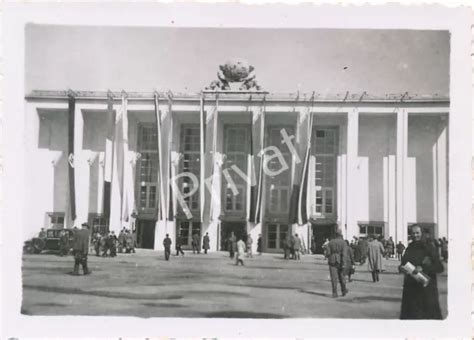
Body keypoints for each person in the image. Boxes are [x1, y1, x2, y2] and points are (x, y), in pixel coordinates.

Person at [400, 225, 444, 319]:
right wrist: (401, 268)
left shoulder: (429, 247)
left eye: (417, 233)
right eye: (413, 233)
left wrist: (423, 269)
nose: (415, 235)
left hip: (426, 291)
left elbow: (440, 267)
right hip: (411, 291)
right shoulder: (409, 248)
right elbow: (403, 263)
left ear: (422, 233)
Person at [326, 231, 348, 298]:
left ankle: (334, 293)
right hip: (340, 261)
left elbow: (328, 253)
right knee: (342, 277)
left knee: (333, 278)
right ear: (341, 235)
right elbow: (344, 254)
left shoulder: (330, 243)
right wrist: (344, 263)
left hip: (332, 261)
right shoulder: (343, 243)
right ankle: (343, 290)